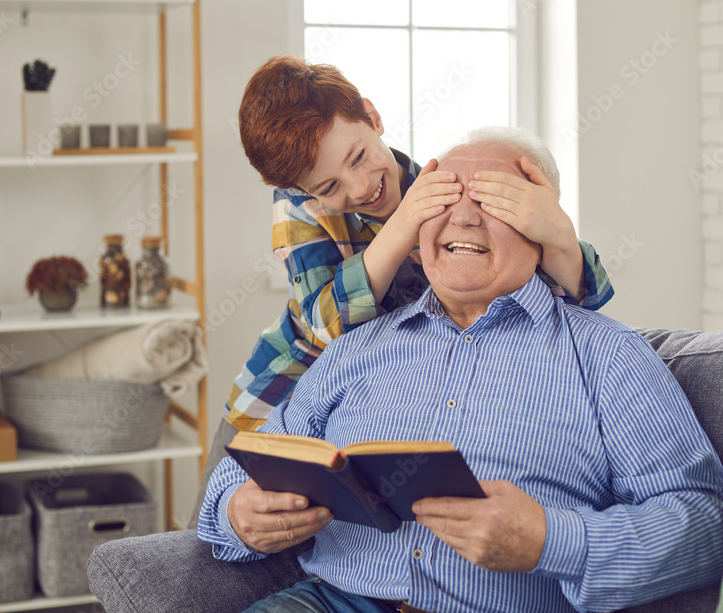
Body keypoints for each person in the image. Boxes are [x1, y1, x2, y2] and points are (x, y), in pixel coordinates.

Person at [198, 127, 723, 613]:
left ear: (543, 224)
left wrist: (551, 539)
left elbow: (708, 524)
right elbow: (247, 467)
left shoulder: (609, 357)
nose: (462, 215)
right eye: (444, 197)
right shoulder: (352, 349)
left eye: (493, 198)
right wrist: (237, 512)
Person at [190, 56, 615, 526]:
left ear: (373, 118)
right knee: (214, 536)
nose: (360, 186)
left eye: (358, 157)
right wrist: (402, 227)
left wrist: (555, 233)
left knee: (341, 534)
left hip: (367, 408)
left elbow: (585, 296)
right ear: (302, 189)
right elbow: (326, 322)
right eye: (329, 185)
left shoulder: (439, 184)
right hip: (274, 398)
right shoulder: (300, 209)